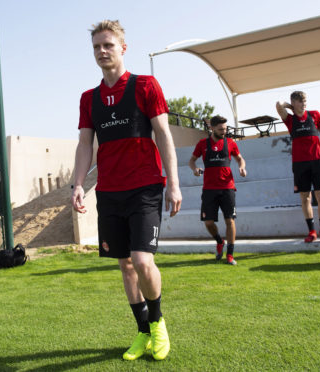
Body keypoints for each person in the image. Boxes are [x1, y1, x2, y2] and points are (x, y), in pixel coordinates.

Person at [71, 20, 182, 361]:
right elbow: (84, 145)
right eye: (96, 47)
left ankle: (158, 322)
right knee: (125, 265)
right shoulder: (89, 99)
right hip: (109, 192)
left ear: (122, 48)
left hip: (146, 187)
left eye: (108, 45)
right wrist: (77, 183)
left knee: (142, 259)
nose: (102, 51)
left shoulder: (145, 86)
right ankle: (142, 332)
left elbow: (163, 135)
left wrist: (174, 184)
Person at [276, 91, 320, 243]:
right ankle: (311, 231)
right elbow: (279, 105)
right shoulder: (290, 119)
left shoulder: (314, 115)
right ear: (293, 102)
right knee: (305, 197)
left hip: (318, 161)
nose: (303, 103)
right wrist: (289, 106)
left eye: (304, 100)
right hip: (300, 164)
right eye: (299, 101)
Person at [188, 115, 246, 265]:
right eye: (221, 129)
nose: (224, 131)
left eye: (225, 129)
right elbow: (192, 161)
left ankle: (230, 255)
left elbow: (240, 158)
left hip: (227, 188)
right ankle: (220, 242)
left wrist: (241, 167)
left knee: (229, 220)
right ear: (212, 128)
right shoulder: (202, 144)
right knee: (208, 222)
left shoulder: (231, 143)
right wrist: (195, 169)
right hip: (209, 189)